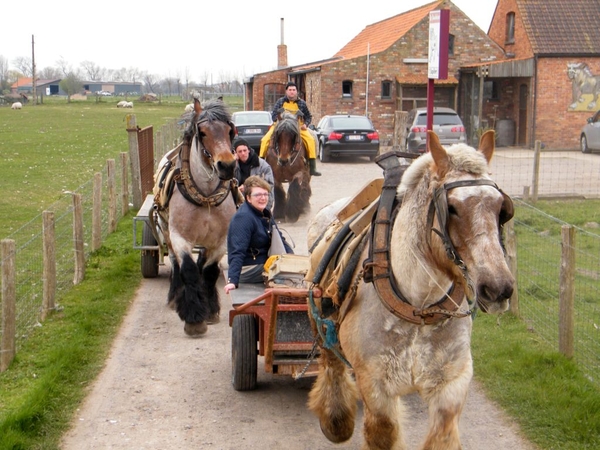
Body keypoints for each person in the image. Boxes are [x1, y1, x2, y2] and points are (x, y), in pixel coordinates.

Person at [224, 176, 293, 294]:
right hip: (249, 268)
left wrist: (292, 259)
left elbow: (280, 238)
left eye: (266, 194)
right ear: (248, 198)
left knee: (297, 268)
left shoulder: (264, 213)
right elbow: (237, 251)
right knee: (287, 274)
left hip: (263, 262)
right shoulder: (244, 218)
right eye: (258, 195)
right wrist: (232, 280)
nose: (263, 198)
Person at [259, 81, 322, 176]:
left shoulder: (302, 103)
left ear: (296, 91)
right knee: (264, 140)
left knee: (310, 140)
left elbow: (308, 116)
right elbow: (274, 115)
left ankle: (312, 167)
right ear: (286, 91)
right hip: (279, 127)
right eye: (290, 90)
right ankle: (260, 166)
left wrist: (306, 124)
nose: (292, 92)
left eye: (294, 90)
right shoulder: (280, 102)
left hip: (298, 127)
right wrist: (279, 120)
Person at [232, 138, 275, 210]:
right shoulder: (234, 165)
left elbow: (269, 185)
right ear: (235, 153)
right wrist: (233, 163)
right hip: (239, 201)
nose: (243, 153)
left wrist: (248, 187)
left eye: (245, 150)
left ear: (249, 150)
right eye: (240, 151)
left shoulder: (262, 165)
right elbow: (227, 181)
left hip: (258, 199)